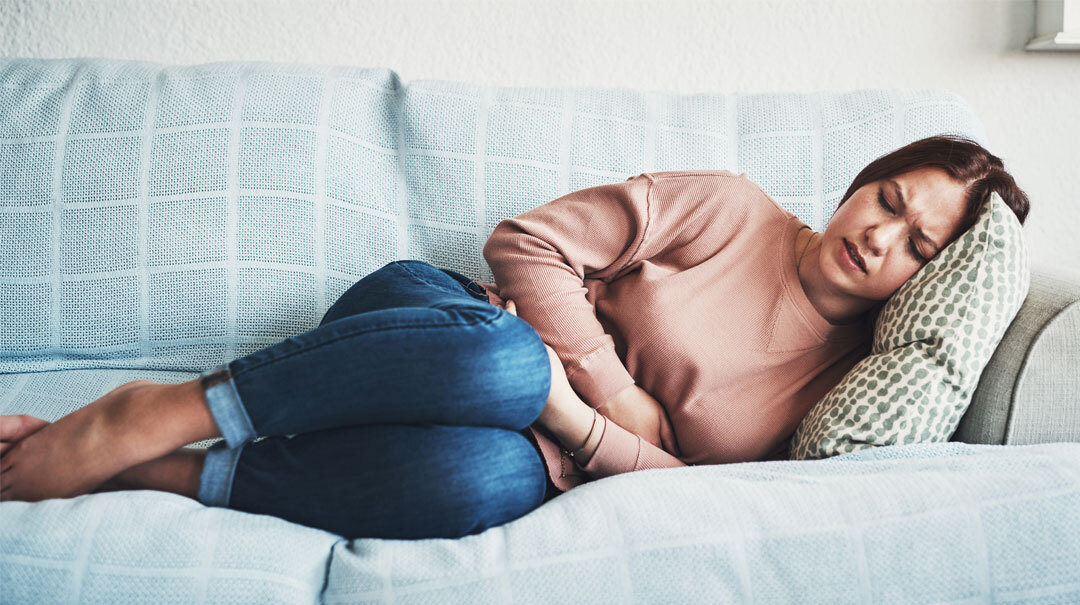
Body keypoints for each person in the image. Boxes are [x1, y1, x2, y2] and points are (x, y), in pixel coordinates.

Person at [0, 134, 1030, 541]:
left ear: (929, 274)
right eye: (886, 198)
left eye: (916, 242)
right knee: (498, 356)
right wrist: (612, 401)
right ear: (860, 179)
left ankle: (166, 475)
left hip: (534, 448)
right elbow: (528, 244)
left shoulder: (844, 388)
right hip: (433, 326)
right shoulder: (730, 208)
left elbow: (689, 485)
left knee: (480, 486)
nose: (880, 234)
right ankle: (157, 410)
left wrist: (570, 414)